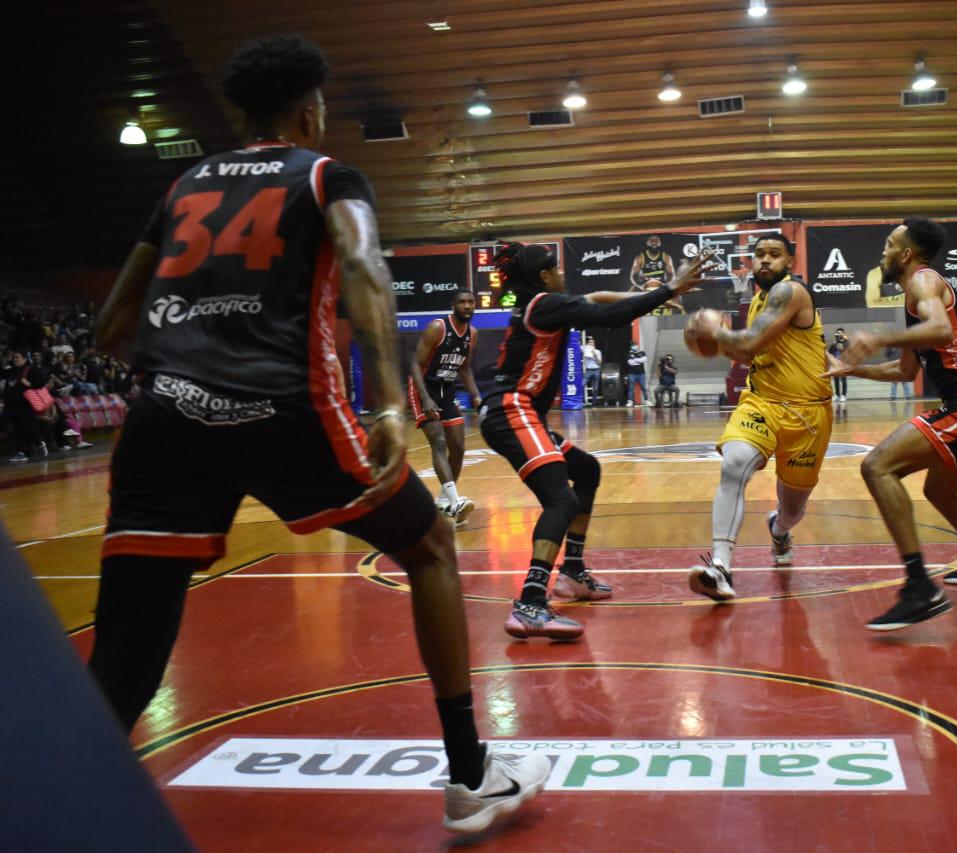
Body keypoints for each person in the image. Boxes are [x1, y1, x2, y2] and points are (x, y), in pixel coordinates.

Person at [84, 34, 548, 834]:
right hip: (281, 408)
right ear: (309, 112)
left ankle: (60, 808)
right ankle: (471, 775)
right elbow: (367, 271)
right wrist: (387, 405)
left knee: (130, 633)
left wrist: (182, 372)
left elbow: (110, 326)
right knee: (430, 544)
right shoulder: (328, 174)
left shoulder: (186, 182)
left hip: (163, 420)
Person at [480, 242, 709, 638]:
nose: (564, 274)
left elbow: (600, 297)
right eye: (558, 269)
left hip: (518, 412)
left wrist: (658, 293)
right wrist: (667, 291)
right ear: (546, 276)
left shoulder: (545, 303)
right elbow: (608, 314)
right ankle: (530, 604)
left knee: (587, 470)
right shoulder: (544, 305)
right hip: (510, 410)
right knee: (561, 499)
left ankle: (572, 573)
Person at [826, 218, 957, 630]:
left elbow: (941, 329)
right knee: (938, 492)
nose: (883, 253)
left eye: (888, 245)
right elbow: (905, 371)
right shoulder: (915, 297)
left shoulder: (923, 280)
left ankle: (919, 588)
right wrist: (851, 371)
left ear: (906, 254)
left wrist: (878, 338)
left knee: (877, 466)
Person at [684, 234, 833, 599]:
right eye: (759, 254)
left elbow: (748, 342)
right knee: (733, 464)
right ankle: (720, 567)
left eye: (775, 255)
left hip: (808, 416)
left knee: (793, 510)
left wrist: (714, 332)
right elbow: (751, 355)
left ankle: (779, 529)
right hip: (762, 403)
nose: (765, 260)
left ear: (790, 263)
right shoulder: (756, 303)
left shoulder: (790, 292)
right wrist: (718, 344)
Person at [408, 290, 481, 526]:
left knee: (458, 448)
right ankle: (456, 500)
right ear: (453, 305)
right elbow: (415, 365)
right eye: (462, 302)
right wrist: (425, 398)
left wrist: (477, 396)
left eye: (470, 302)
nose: (467, 306)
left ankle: (443, 500)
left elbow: (465, 369)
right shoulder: (438, 328)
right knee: (438, 442)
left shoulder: (472, 334)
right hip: (423, 388)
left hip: (446, 390)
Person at [629, 235, 681, 314]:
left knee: (677, 295)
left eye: (656, 240)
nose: (654, 242)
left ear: (660, 243)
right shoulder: (640, 257)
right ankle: (631, 318)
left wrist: (666, 285)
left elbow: (671, 274)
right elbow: (634, 276)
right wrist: (640, 285)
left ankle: (676, 315)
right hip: (646, 282)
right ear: (647, 243)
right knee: (629, 295)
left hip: (661, 282)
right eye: (651, 240)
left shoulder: (666, 257)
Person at [828, 328, 849, 401]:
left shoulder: (846, 342)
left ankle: (843, 395)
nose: (839, 335)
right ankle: (837, 395)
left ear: (843, 334)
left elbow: (844, 349)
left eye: (841, 333)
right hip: (835, 363)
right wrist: (834, 344)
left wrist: (841, 342)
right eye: (838, 333)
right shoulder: (835, 342)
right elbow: (830, 351)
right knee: (836, 379)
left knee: (843, 379)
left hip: (843, 363)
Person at [625, 342, 649, 406]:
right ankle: (630, 401)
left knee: (643, 387)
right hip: (632, 374)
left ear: (637, 346)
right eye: (633, 346)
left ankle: (647, 400)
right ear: (631, 347)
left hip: (641, 374)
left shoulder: (642, 352)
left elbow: (644, 360)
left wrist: (635, 359)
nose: (635, 346)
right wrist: (639, 360)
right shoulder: (629, 354)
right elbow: (630, 363)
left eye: (635, 345)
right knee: (631, 388)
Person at [581, 335, 601, 404]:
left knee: (595, 389)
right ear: (588, 344)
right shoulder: (585, 349)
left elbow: (599, 363)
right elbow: (577, 345)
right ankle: (582, 401)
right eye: (590, 342)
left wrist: (594, 354)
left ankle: (594, 403)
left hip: (596, 370)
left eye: (593, 343)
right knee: (582, 384)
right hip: (588, 370)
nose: (592, 344)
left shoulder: (598, 351)